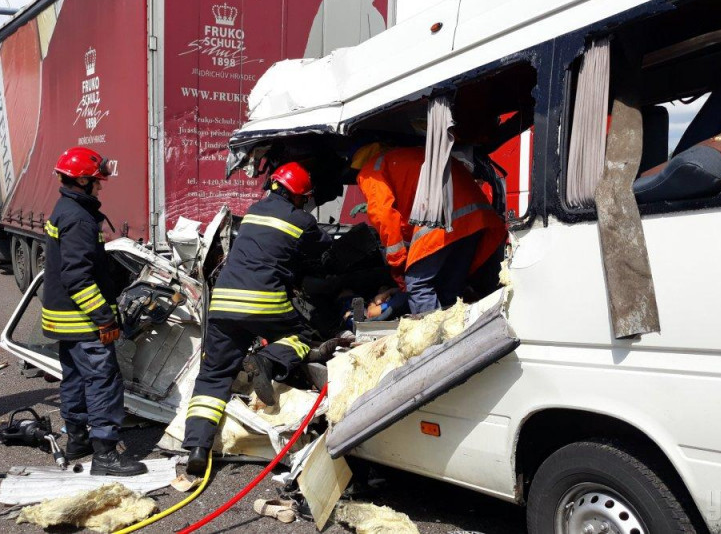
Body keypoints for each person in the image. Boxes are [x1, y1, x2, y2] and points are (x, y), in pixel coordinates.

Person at [184, 162, 332, 475]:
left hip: (224, 304)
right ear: (299, 196)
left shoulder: (252, 211)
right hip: (264, 302)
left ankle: (197, 448)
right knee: (302, 336)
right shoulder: (301, 220)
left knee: (213, 374)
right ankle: (269, 361)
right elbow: (324, 253)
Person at [42, 146, 146, 476]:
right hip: (83, 319)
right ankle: (105, 455)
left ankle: (77, 440)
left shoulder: (65, 208)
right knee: (103, 381)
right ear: (83, 182)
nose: (101, 187)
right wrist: (104, 316)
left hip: (64, 319)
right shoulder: (78, 218)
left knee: (74, 377)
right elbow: (76, 276)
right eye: (97, 182)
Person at [352, 144, 507, 313]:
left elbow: (384, 216)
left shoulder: (370, 172)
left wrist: (398, 263)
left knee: (418, 284)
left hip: (443, 216)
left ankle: (431, 336)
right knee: (449, 285)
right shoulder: (405, 157)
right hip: (474, 218)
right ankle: (452, 333)